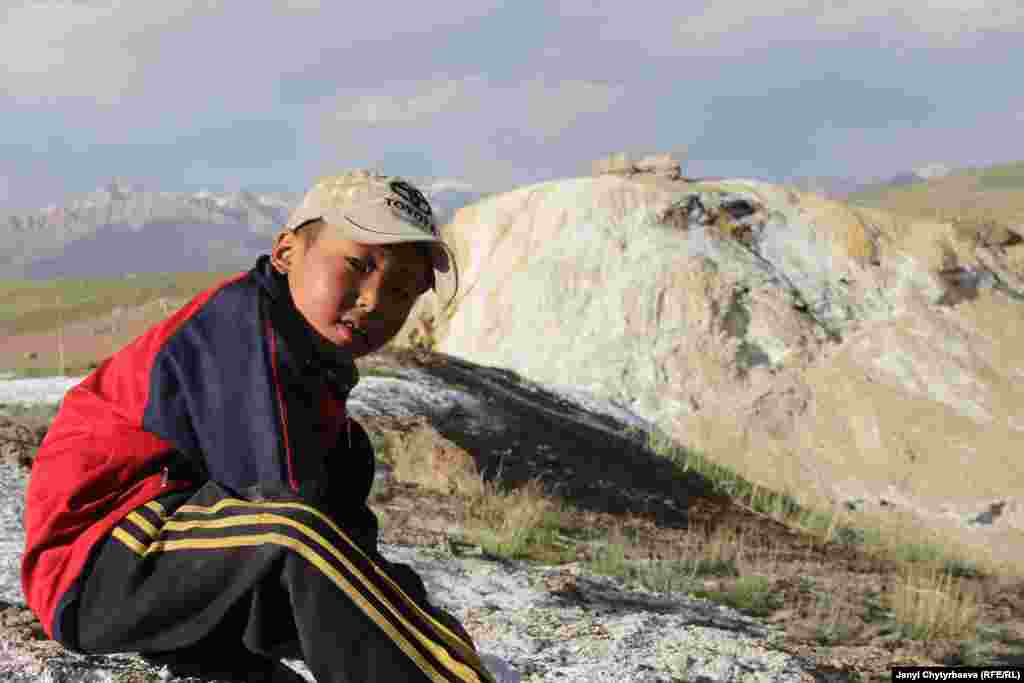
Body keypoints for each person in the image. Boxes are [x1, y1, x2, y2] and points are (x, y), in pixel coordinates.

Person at [21, 170, 495, 683]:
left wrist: (424, 626)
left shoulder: (313, 366)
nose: (374, 299)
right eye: (359, 265)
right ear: (287, 253)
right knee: (296, 532)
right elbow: (294, 526)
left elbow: (349, 554)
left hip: (180, 572)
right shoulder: (239, 339)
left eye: (401, 289)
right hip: (97, 569)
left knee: (342, 487)